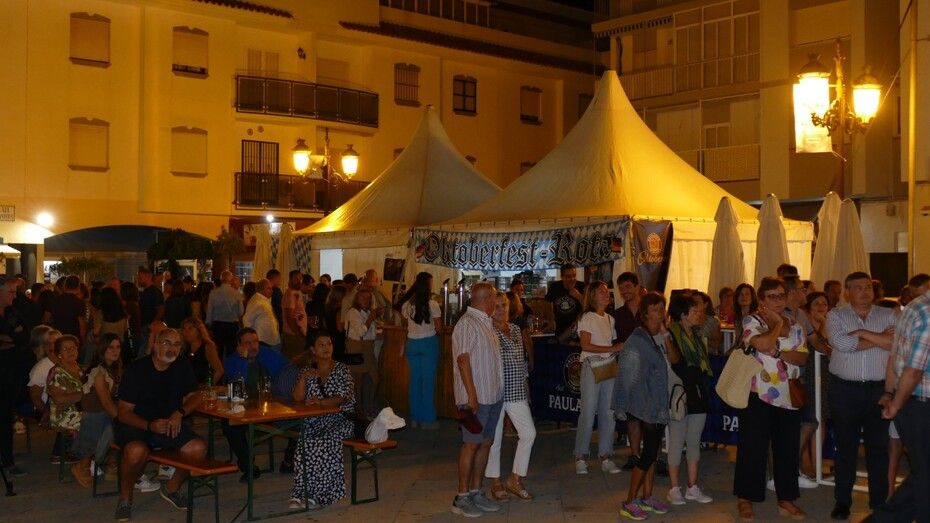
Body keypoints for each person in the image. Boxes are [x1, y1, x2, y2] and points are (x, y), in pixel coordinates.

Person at [734, 277, 808, 521]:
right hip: (758, 393)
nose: (778, 300)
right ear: (762, 299)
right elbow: (762, 343)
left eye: (781, 295)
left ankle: (786, 499)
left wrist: (779, 352)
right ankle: (746, 498)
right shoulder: (752, 321)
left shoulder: (796, 325)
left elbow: (802, 357)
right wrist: (776, 324)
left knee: (787, 449)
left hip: (788, 394)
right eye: (772, 296)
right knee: (752, 447)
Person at [114, 327, 205, 521]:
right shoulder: (136, 370)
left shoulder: (181, 365)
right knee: (136, 451)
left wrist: (180, 413)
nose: (172, 349)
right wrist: (149, 426)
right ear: (155, 346)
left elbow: (196, 396)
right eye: (166, 343)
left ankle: (171, 488)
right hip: (138, 424)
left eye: (177, 344)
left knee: (197, 449)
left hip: (168, 424)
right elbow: (123, 413)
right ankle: (125, 498)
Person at [826, 272, 896, 520]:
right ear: (847, 292)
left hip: (879, 390)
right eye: (858, 287)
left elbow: (895, 344)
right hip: (845, 390)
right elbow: (842, 345)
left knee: (878, 448)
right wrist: (879, 338)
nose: (865, 291)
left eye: (868, 287)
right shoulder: (836, 315)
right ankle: (842, 501)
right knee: (846, 447)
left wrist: (860, 333)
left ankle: (879, 503)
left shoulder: (889, 314)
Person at [614, 292, 678, 520]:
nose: (661, 313)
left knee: (652, 453)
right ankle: (629, 501)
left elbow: (675, 360)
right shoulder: (637, 340)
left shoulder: (654, 336)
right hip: (646, 405)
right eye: (655, 310)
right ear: (644, 314)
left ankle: (647, 496)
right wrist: (632, 405)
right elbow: (627, 375)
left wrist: (665, 332)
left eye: (662, 309)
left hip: (656, 405)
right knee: (648, 454)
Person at [874, 287, 930, 522]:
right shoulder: (927, 313)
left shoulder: (915, 306)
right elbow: (913, 370)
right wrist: (895, 404)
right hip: (921, 403)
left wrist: (891, 393)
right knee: (925, 477)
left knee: (922, 474)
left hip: (911, 401)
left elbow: (895, 355)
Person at [450, 282, 504, 518]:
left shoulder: (486, 322)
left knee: (485, 443)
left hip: (492, 396)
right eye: (494, 300)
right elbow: (463, 360)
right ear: (487, 300)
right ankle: (461, 497)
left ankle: (476, 492)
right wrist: (471, 395)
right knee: (470, 444)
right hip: (473, 399)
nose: (497, 304)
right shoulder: (467, 323)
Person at [288, 330, 356, 510]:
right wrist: (303, 378)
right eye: (321, 344)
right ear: (313, 349)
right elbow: (297, 398)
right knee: (304, 441)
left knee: (323, 440)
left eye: (329, 344)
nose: (326, 348)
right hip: (315, 420)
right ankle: (300, 492)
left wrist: (320, 402)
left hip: (340, 419)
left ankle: (320, 494)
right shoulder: (308, 370)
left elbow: (342, 397)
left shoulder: (342, 369)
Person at [485, 290, 536, 502]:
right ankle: (495, 482)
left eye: (503, 305)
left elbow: (520, 359)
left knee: (529, 433)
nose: (500, 310)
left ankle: (515, 478)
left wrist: (525, 383)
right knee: (495, 440)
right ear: (490, 308)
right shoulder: (487, 330)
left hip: (516, 390)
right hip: (495, 392)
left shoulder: (515, 328)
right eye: (496, 306)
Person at [222, 327, 288, 479]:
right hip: (245, 410)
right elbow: (236, 387)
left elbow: (287, 368)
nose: (253, 346)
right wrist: (243, 360)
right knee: (229, 425)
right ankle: (248, 466)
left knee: (300, 421)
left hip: (272, 408)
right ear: (239, 346)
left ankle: (289, 461)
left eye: (255, 341)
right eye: (247, 343)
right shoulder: (232, 361)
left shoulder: (268, 354)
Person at [665, 292, 713, 506]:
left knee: (694, 441)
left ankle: (692, 487)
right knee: (676, 441)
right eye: (694, 311)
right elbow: (675, 362)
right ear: (683, 314)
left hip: (697, 391)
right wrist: (666, 337)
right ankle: (674, 488)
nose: (699, 314)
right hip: (679, 392)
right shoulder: (671, 333)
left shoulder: (697, 335)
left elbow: (702, 365)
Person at [574, 281, 623, 475]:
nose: (605, 294)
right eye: (601, 292)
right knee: (588, 411)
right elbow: (585, 345)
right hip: (591, 366)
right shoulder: (587, 317)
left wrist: (614, 350)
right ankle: (580, 456)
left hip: (608, 365)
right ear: (593, 296)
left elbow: (608, 343)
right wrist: (612, 348)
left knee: (608, 412)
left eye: (606, 291)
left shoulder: (610, 319)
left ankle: (605, 455)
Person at [70, 333, 122, 487]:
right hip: (93, 413)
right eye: (111, 347)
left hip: (102, 412)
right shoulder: (98, 371)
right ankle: (82, 465)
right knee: (111, 424)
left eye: (118, 347)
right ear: (102, 349)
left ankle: (112, 464)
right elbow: (105, 401)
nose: (115, 351)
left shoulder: (114, 367)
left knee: (119, 427)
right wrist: (121, 419)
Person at [400, 272, 442, 429]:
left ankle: (415, 417)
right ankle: (428, 419)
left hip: (412, 343)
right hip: (428, 343)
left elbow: (406, 322)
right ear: (428, 285)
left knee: (414, 382)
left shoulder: (407, 305)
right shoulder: (433, 304)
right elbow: (439, 327)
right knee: (428, 383)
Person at [612, 272, 645, 471]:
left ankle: (650, 455)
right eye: (621, 288)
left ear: (637, 287)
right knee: (632, 415)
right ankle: (634, 454)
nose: (625, 291)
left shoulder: (648, 310)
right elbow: (614, 343)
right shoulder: (616, 315)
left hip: (649, 369)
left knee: (649, 416)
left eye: (628, 287)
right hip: (627, 370)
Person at [799, 291, 833, 482]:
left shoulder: (829, 324)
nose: (821, 307)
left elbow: (829, 346)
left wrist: (825, 323)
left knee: (822, 419)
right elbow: (818, 343)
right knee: (808, 421)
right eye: (817, 303)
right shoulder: (804, 324)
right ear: (808, 308)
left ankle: (816, 464)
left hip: (825, 376)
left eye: (824, 304)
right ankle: (805, 463)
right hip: (808, 375)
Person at [0, 276, 30, 476]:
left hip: (11, 371)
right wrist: (12, 336)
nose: (14, 296)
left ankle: (7, 459)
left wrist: (9, 338)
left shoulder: (13, 312)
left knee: (6, 415)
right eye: (11, 292)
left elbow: (23, 336)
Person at [27, 326, 64, 465]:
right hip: (45, 409)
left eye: (56, 343)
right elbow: (35, 397)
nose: (52, 346)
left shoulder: (65, 362)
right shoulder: (41, 368)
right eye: (49, 343)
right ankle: (59, 453)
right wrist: (46, 415)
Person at [345, 288, 382, 419]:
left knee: (376, 378)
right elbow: (361, 332)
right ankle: (360, 409)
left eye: (368, 298)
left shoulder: (368, 312)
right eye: (362, 297)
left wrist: (377, 333)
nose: (365, 300)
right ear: (357, 298)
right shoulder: (353, 312)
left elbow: (370, 332)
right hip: (357, 347)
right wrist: (371, 318)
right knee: (358, 381)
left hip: (368, 348)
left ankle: (368, 405)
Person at [46, 335, 84, 436]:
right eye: (65, 349)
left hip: (82, 411)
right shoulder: (57, 372)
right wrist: (85, 394)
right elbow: (58, 399)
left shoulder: (81, 369)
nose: (70, 351)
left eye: (73, 347)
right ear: (59, 354)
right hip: (64, 416)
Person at [205, 271, 243, 359]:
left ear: (221, 279)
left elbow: (210, 310)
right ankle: (231, 366)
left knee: (218, 350)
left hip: (218, 325)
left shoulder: (214, 293)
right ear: (231, 280)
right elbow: (241, 312)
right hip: (232, 325)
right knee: (231, 350)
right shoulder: (237, 293)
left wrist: (208, 324)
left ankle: (219, 366)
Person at [544, 264, 585, 339]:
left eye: (574, 275)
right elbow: (547, 303)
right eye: (568, 276)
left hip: (577, 326)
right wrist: (551, 320)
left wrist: (578, 296)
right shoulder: (555, 287)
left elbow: (589, 306)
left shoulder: (581, 286)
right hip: (560, 326)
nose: (572, 279)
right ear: (562, 277)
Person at [180, 317, 223, 385]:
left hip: (206, 387)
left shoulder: (208, 346)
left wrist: (207, 387)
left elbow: (219, 371)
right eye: (184, 329)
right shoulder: (184, 348)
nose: (186, 332)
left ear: (199, 331)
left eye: (190, 328)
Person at [243, 279, 281, 352]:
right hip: (262, 341)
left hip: (268, 340)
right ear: (261, 289)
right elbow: (247, 320)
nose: (272, 291)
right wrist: (250, 340)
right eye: (269, 288)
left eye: (271, 288)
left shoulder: (263, 300)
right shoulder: (257, 301)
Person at [137, 268, 165, 358]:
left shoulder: (154, 292)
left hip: (149, 326)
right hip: (145, 325)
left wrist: (152, 324)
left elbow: (161, 310)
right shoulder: (146, 291)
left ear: (148, 277)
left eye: (140, 278)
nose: (138, 280)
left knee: (145, 350)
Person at [50, 275, 87, 341]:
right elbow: (82, 325)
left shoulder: (55, 300)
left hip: (57, 336)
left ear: (65, 285)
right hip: (73, 338)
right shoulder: (79, 303)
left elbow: (50, 319)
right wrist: (82, 340)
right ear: (78, 286)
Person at [281, 270, 306, 359]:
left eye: (300, 278)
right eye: (296, 278)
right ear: (290, 280)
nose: (299, 281)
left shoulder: (296, 292)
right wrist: (298, 333)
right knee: (295, 361)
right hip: (293, 335)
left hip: (297, 333)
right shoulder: (290, 294)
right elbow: (289, 316)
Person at [323, 285, 347, 362]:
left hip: (330, 338)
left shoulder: (327, 307)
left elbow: (325, 324)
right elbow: (340, 328)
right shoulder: (339, 310)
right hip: (339, 341)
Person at [120, 281, 143, 361]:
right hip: (135, 335)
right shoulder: (134, 303)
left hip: (132, 336)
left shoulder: (130, 305)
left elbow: (126, 321)